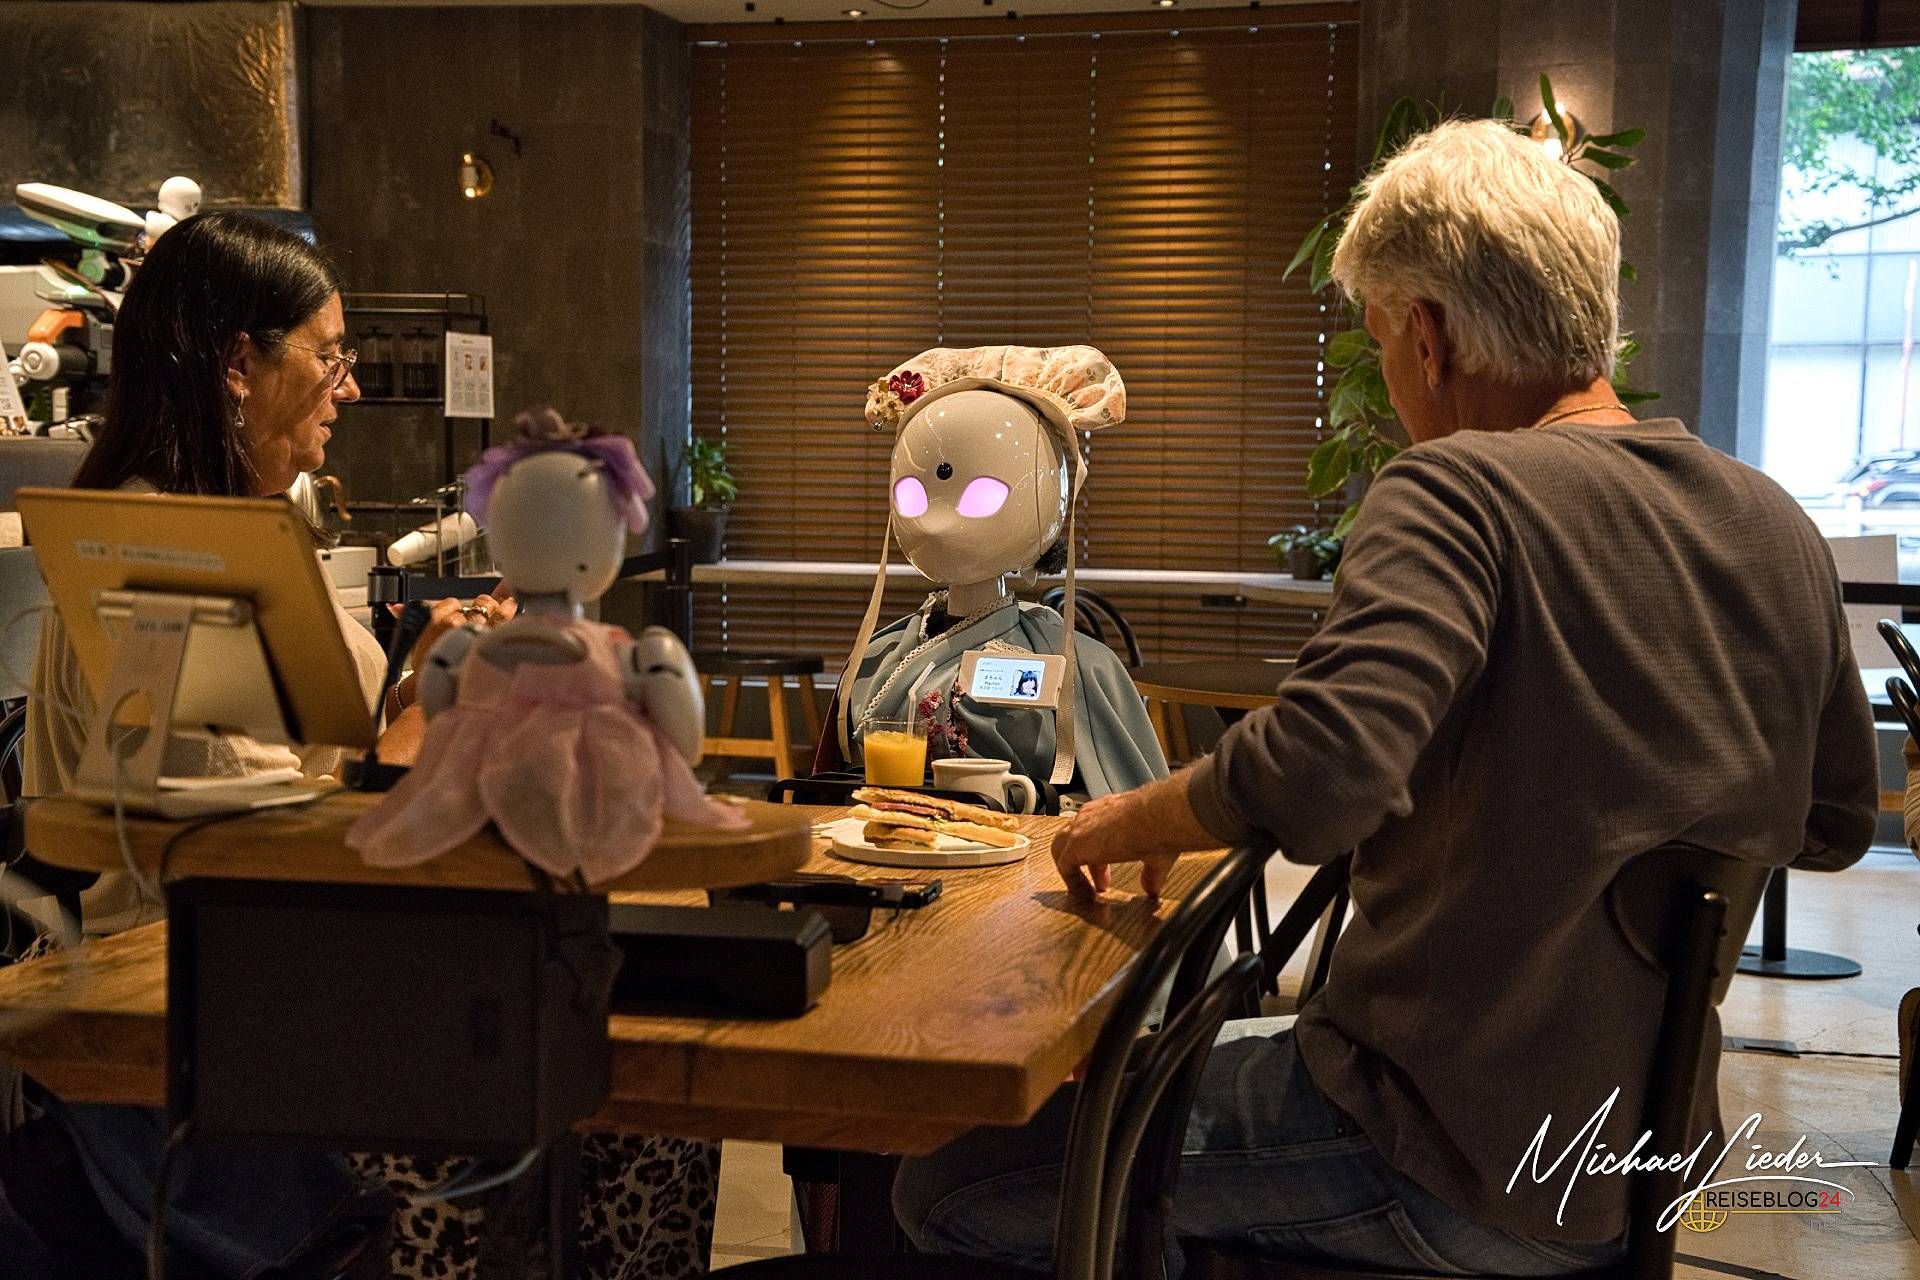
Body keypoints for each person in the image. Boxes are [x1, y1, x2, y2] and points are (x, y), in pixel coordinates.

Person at [894, 119, 1878, 1275]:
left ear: (1429, 333)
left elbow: (1320, 769)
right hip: (1638, 1165)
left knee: (953, 1174)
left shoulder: (1459, 489)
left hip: (1434, 1140)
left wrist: (1130, 815)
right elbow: (1835, 821)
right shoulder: (1775, 524)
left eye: (1379, 341)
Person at [4, 212, 719, 1280]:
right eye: (329, 356)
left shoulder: (237, 531)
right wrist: (428, 726)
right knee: (629, 1101)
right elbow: (235, 841)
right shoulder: (157, 557)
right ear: (239, 365)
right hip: (207, 1027)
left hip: (293, 975)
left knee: (632, 1064)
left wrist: (424, 681)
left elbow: (290, 768)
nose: (347, 388)